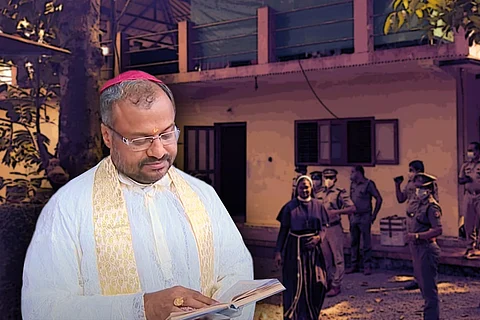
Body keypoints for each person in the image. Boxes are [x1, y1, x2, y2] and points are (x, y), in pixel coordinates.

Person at [21, 70, 254, 320]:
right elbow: (42, 308)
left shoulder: (202, 195)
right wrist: (144, 309)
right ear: (107, 136)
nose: (157, 151)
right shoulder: (69, 206)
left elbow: (235, 270)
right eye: (140, 140)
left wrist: (223, 310)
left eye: (166, 134)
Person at [275, 175, 329, 320]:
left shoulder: (319, 205)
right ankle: (293, 315)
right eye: (301, 187)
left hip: (313, 251)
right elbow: (283, 231)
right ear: (297, 189)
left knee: (318, 283)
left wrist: (318, 238)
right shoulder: (289, 207)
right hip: (295, 249)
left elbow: (324, 227)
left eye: (306, 187)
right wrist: (278, 252)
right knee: (294, 282)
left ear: (311, 188)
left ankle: (311, 315)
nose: (304, 190)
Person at [394, 160, 438, 290]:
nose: (409, 173)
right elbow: (401, 199)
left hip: (423, 220)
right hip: (411, 220)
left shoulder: (428, 184)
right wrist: (397, 185)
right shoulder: (409, 184)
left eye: (411, 170)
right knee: (414, 251)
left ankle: (428, 280)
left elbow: (434, 201)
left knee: (426, 251)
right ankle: (417, 278)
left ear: (418, 171)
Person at [406, 173, 443, 320]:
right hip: (417, 248)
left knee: (429, 289)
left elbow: (438, 230)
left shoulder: (432, 206)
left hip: (427, 248)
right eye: (417, 188)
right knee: (422, 284)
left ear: (428, 189)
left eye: (421, 188)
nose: (418, 191)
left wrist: (416, 236)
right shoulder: (419, 203)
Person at [315, 168, 356, 297]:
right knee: (325, 258)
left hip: (334, 227)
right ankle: (328, 282)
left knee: (338, 258)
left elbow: (352, 208)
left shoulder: (339, 193)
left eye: (331, 178)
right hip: (322, 228)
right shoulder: (319, 193)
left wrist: (336, 212)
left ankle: (336, 285)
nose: (328, 180)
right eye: (326, 177)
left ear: (335, 179)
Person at [346, 165, 383, 276]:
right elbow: (350, 200)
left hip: (365, 216)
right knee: (354, 241)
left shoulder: (368, 184)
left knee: (366, 242)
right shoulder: (352, 185)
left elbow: (379, 199)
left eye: (352, 172)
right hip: (354, 216)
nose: (350, 174)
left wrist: (374, 215)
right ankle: (354, 265)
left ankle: (367, 266)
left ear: (359, 172)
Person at [458, 141, 480, 259]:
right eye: (469, 150)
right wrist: (466, 179)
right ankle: (470, 247)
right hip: (469, 195)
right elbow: (460, 180)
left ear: (478, 152)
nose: (470, 153)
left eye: (472, 150)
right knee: (468, 222)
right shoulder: (465, 166)